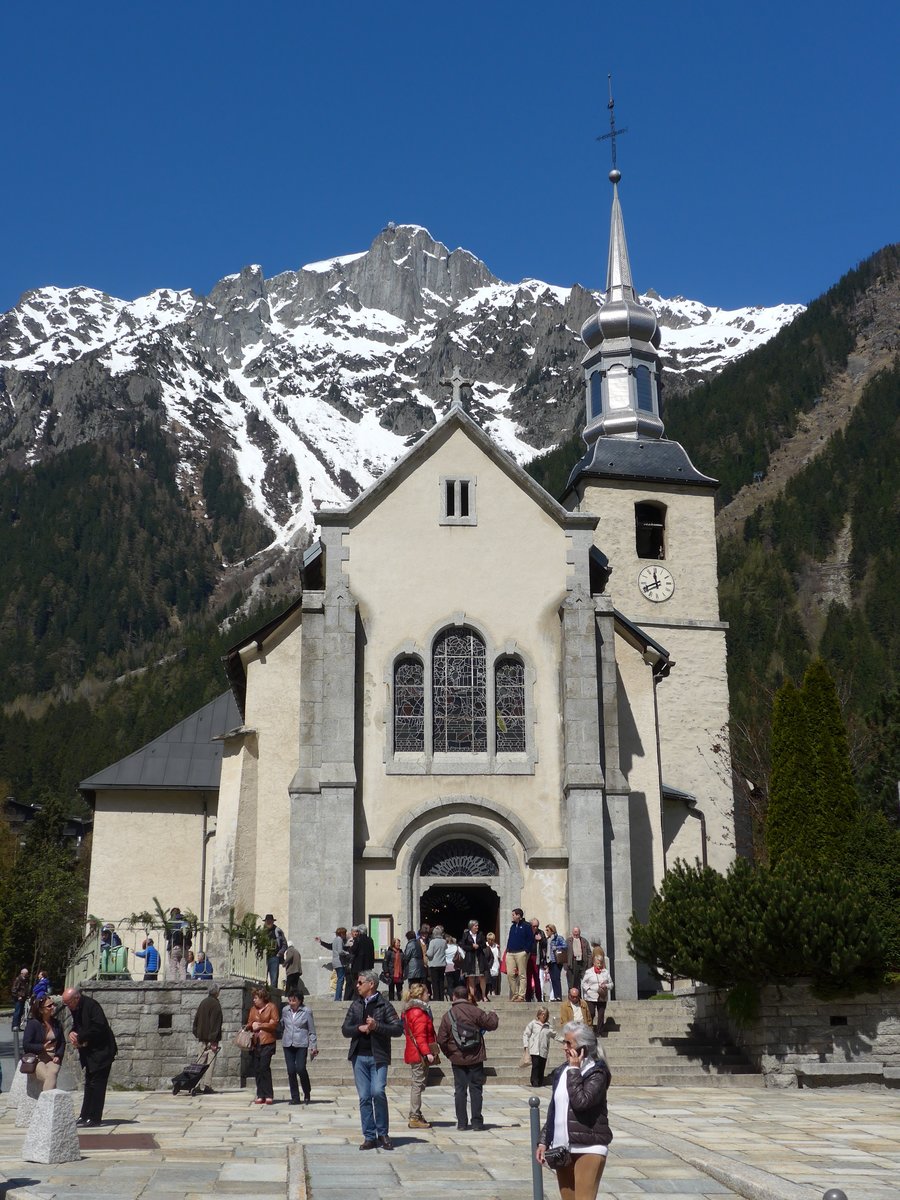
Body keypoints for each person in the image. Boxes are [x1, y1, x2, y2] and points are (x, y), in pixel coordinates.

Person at [536, 1023, 612, 1200]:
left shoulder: (597, 1072)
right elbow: (555, 1109)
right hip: (563, 1149)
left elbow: (581, 1102)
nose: (565, 1047)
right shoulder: (563, 1070)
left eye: (569, 1044)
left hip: (589, 1147)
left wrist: (575, 1070)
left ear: (583, 1048)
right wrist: (543, 1141)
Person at [341, 968, 403, 1150]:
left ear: (371, 984)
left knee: (378, 1092)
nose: (357, 986)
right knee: (365, 1097)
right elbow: (345, 1029)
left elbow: (398, 1029)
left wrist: (377, 1026)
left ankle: (383, 1133)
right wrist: (358, 1028)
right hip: (359, 1056)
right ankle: (369, 1136)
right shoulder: (356, 1005)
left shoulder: (384, 1005)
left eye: (360, 983)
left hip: (378, 1056)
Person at [437, 984, 499, 1131]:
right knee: (476, 1089)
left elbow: (441, 1039)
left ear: (454, 997)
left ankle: (462, 1123)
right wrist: (493, 1014)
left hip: (457, 1059)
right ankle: (477, 1123)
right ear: (467, 996)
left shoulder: (448, 1015)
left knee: (460, 1090)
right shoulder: (475, 1011)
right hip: (475, 1057)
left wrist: (450, 1054)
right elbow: (492, 1024)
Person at [61, 985, 118, 1127]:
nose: (68, 1006)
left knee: (97, 1084)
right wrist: (72, 1033)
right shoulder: (76, 1008)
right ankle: (84, 1115)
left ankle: (94, 1118)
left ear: (76, 998)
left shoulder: (91, 1005)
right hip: (90, 1053)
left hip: (102, 1052)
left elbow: (99, 1027)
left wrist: (81, 1038)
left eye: (69, 1003)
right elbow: (78, 1025)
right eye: (65, 1004)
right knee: (89, 1083)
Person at [402, 981, 437, 1129]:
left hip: (414, 1051)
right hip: (418, 1053)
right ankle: (414, 1116)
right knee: (417, 1084)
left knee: (419, 1083)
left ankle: (416, 1113)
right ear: (421, 995)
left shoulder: (410, 1010)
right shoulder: (419, 1012)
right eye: (427, 992)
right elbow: (420, 1036)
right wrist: (427, 1052)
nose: (429, 995)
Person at [281, 988, 318, 1105]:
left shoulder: (306, 1011)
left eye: (294, 1000)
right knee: (291, 1071)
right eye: (290, 1000)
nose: (291, 1003)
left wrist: (313, 1046)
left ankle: (307, 1091)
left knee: (300, 1068)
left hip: (301, 1043)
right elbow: (282, 1023)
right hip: (288, 1043)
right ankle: (295, 1097)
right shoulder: (285, 1010)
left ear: (300, 1001)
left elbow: (311, 1030)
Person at [244, 985, 280, 1104]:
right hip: (255, 1042)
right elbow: (249, 1023)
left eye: (256, 998)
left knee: (264, 1067)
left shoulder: (271, 1007)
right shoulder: (253, 1009)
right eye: (253, 998)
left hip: (267, 1041)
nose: (254, 1000)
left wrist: (260, 1025)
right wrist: (251, 1025)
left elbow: (274, 1023)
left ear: (262, 998)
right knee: (257, 1069)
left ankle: (268, 1094)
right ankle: (260, 1094)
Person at [22, 995, 64, 1092]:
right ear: (41, 1010)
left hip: (53, 1058)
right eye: (49, 1006)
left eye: (53, 1004)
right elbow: (26, 1045)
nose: (53, 1007)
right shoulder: (33, 1024)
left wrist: (59, 1055)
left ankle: (45, 1105)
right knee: (48, 1077)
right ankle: (49, 1104)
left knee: (52, 1074)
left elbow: (62, 1041)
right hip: (37, 1058)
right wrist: (42, 1047)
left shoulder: (56, 1023)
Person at [190, 983, 223, 1092]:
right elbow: (216, 1023)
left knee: (200, 1062)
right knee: (210, 1062)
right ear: (217, 992)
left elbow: (196, 1019)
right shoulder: (216, 1004)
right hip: (211, 1039)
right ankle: (207, 1085)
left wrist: (197, 1033)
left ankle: (196, 1084)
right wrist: (213, 1039)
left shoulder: (203, 1002)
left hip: (202, 1037)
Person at [581, 952, 612, 1037]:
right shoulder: (589, 972)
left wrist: (606, 986)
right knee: (591, 1013)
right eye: (598, 963)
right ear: (594, 963)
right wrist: (588, 989)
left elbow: (611, 984)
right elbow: (583, 983)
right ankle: (589, 1029)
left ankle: (599, 1032)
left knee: (601, 1014)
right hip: (591, 996)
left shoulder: (605, 972)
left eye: (601, 963)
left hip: (602, 996)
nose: (599, 965)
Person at [506, 908, 534, 1002]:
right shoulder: (513, 926)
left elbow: (530, 939)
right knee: (510, 974)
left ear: (518, 915)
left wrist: (526, 950)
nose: (512, 916)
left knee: (522, 974)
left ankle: (521, 996)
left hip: (521, 952)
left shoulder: (526, 926)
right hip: (510, 952)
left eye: (513, 914)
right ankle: (515, 993)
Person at [522, 1005, 554, 1087]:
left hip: (543, 1049)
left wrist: (564, 1040)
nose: (543, 1016)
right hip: (534, 1048)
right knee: (535, 1066)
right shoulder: (533, 1023)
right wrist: (526, 1045)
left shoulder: (548, 1026)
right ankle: (534, 1081)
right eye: (542, 1014)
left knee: (542, 1066)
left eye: (545, 1014)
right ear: (538, 1014)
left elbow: (555, 1035)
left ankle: (540, 1080)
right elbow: (526, 1034)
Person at [316, 927, 349, 1001]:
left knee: (339, 979)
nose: (345, 935)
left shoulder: (335, 940)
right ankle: (338, 998)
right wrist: (347, 953)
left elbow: (331, 947)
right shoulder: (340, 940)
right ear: (341, 933)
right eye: (344, 933)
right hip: (340, 962)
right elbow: (340, 951)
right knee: (341, 980)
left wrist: (321, 942)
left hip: (335, 962)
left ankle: (337, 997)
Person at [461, 918, 487, 1002]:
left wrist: (478, 946)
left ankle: (483, 995)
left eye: (477, 925)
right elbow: (463, 946)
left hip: (479, 957)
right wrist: (472, 947)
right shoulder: (466, 934)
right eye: (476, 926)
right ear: (471, 926)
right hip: (470, 958)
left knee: (482, 976)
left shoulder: (480, 934)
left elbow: (484, 945)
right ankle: (472, 997)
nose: (477, 927)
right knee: (471, 977)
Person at [349, 924, 376, 997]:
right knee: (366, 980)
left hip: (358, 965)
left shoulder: (358, 939)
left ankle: (357, 996)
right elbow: (372, 953)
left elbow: (353, 950)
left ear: (360, 932)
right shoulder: (370, 940)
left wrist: (350, 947)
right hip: (368, 965)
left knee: (357, 981)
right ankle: (366, 994)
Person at [262, 914, 287, 990]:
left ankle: (273, 996)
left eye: (270, 921)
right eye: (267, 921)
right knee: (262, 979)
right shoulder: (261, 932)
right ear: (265, 922)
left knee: (274, 980)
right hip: (263, 957)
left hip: (274, 957)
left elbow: (285, 944)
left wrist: (280, 953)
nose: (269, 922)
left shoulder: (278, 931)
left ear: (273, 921)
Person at [166, 907, 191, 980]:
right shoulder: (184, 921)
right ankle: (183, 983)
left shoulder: (170, 921)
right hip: (184, 947)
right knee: (182, 967)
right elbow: (188, 934)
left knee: (173, 967)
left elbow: (167, 936)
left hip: (173, 946)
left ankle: (173, 984)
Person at [527, 918, 547, 1002]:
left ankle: (539, 997)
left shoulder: (541, 932)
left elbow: (545, 944)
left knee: (536, 977)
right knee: (527, 977)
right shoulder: (527, 932)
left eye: (537, 926)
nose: (535, 928)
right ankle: (528, 996)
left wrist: (540, 939)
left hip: (537, 956)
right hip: (527, 956)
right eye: (534, 926)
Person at [425, 924, 447, 1001]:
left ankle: (436, 997)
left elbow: (430, 953)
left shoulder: (432, 942)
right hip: (442, 964)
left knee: (434, 982)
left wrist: (426, 953)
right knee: (441, 981)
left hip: (434, 964)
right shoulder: (444, 942)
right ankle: (441, 997)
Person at [566, 926, 591, 993]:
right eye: (575, 932)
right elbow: (564, 953)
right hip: (572, 963)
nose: (576, 934)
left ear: (580, 933)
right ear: (572, 932)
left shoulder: (584, 941)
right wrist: (566, 965)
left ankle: (579, 998)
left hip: (582, 963)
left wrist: (588, 965)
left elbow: (589, 953)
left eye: (577, 932)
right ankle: (572, 997)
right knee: (572, 983)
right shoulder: (568, 941)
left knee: (580, 983)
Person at [546, 924, 567, 1001]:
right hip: (550, 961)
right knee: (553, 979)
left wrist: (557, 947)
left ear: (552, 930)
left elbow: (565, 945)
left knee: (556, 978)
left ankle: (558, 996)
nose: (546, 932)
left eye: (548, 930)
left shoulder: (558, 938)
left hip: (557, 961)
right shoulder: (547, 939)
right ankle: (555, 996)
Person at [382, 937, 404, 1002]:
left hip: (399, 974)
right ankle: (391, 1001)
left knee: (399, 989)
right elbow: (385, 962)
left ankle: (400, 1000)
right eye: (397, 943)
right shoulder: (389, 952)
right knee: (391, 988)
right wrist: (386, 971)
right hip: (392, 973)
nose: (399, 945)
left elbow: (404, 963)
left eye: (399, 943)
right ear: (393, 943)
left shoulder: (401, 953)